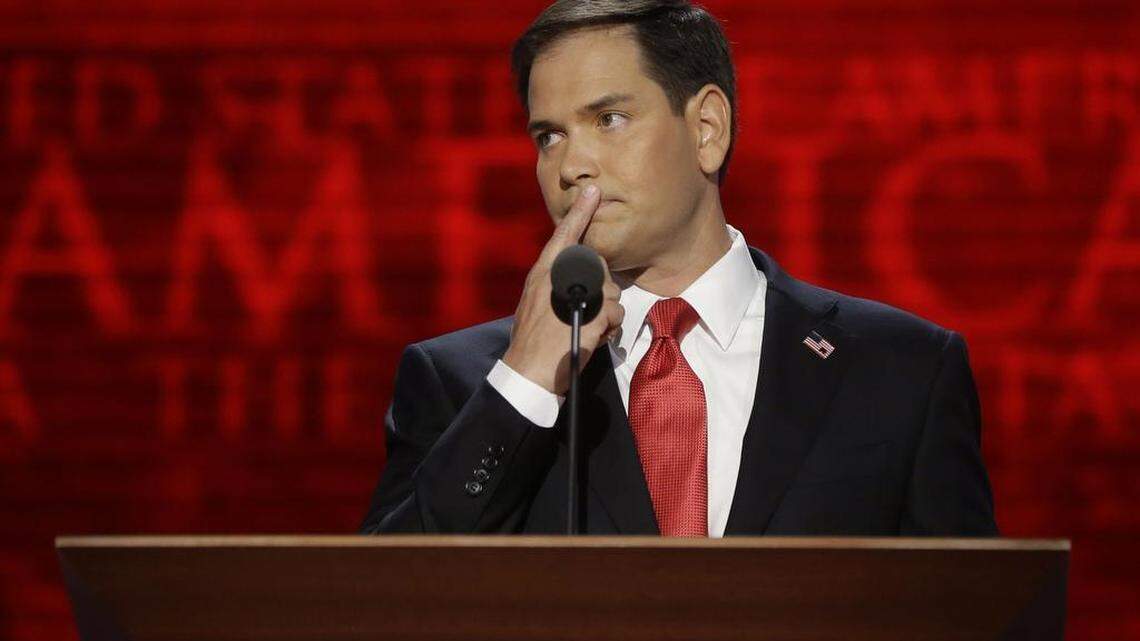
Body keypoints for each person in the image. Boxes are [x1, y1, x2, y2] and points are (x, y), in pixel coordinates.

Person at [359, 0, 998, 536]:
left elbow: (971, 614)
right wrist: (527, 381)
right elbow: (384, 603)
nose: (570, 167)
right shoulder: (461, 384)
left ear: (707, 128)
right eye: (548, 135)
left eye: (608, 119)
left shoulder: (902, 370)